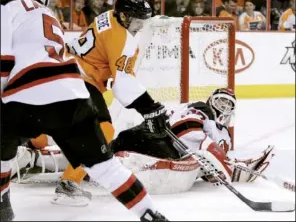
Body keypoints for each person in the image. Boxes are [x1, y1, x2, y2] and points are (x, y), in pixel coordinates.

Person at [0, 0, 169, 221]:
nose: (139, 26)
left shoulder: (107, 18)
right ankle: (143, 210)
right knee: (105, 144)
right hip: (74, 85)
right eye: (136, 20)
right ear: (123, 16)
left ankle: (10, 185)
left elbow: (5, 60)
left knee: (15, 134)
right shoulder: (118, 36)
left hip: (42, 85)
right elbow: (123, 83)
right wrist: (149, 107)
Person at [12, 88, 275, 194]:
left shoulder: (224, 134)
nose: (220, 106)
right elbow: (186, 129)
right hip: (159, 141)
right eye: (218, 100)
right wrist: (225, 162)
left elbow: (210, 171)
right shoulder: (201, 111)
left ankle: (34, 159)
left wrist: (235, 166)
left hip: (152, 142)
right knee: (105, 154)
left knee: (102, 155)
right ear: (209, 101)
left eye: (227, 103)